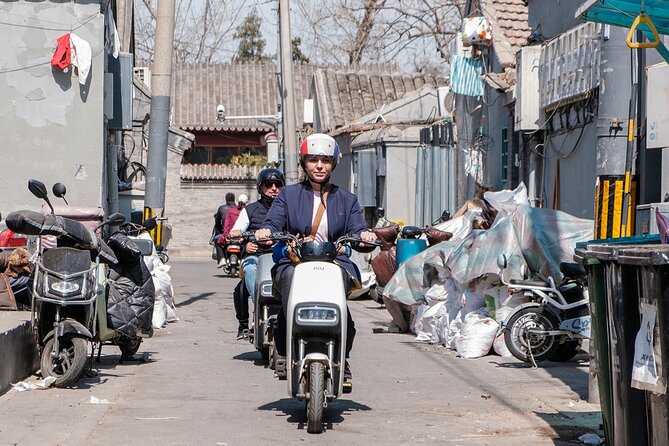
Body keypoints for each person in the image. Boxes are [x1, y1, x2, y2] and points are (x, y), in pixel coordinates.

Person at [255, 133, 377, 381]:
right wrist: (266, 231)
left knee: (345, 313)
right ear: (303, 163)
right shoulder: (287, 195)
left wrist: (365, 234)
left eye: (325, 160)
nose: (319, 165)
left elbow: (357, 228)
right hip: (295, 262)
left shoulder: (348, 199)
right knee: (288, 280)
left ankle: (341, 357)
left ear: (333, 163)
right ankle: (285, 345)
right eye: (313, 159)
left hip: (334, 263)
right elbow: (273, 221)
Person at [228, 169, 284, 339]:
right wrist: (244, 242)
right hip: (256, 256)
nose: (273, 188)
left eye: (277, 185)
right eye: (269, 185)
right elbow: (236, 230)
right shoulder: (250, 210)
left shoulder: (287, 208)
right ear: (261, 188)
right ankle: (256, 309)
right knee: (249, 272)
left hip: (281, 257)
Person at [212, 192, 235, 268]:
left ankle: (221, 259)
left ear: (226, 200)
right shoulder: (238, 208)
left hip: (226, 234)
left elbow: (217, 222)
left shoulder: (222, 208)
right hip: (238, 234)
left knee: (217, 240)